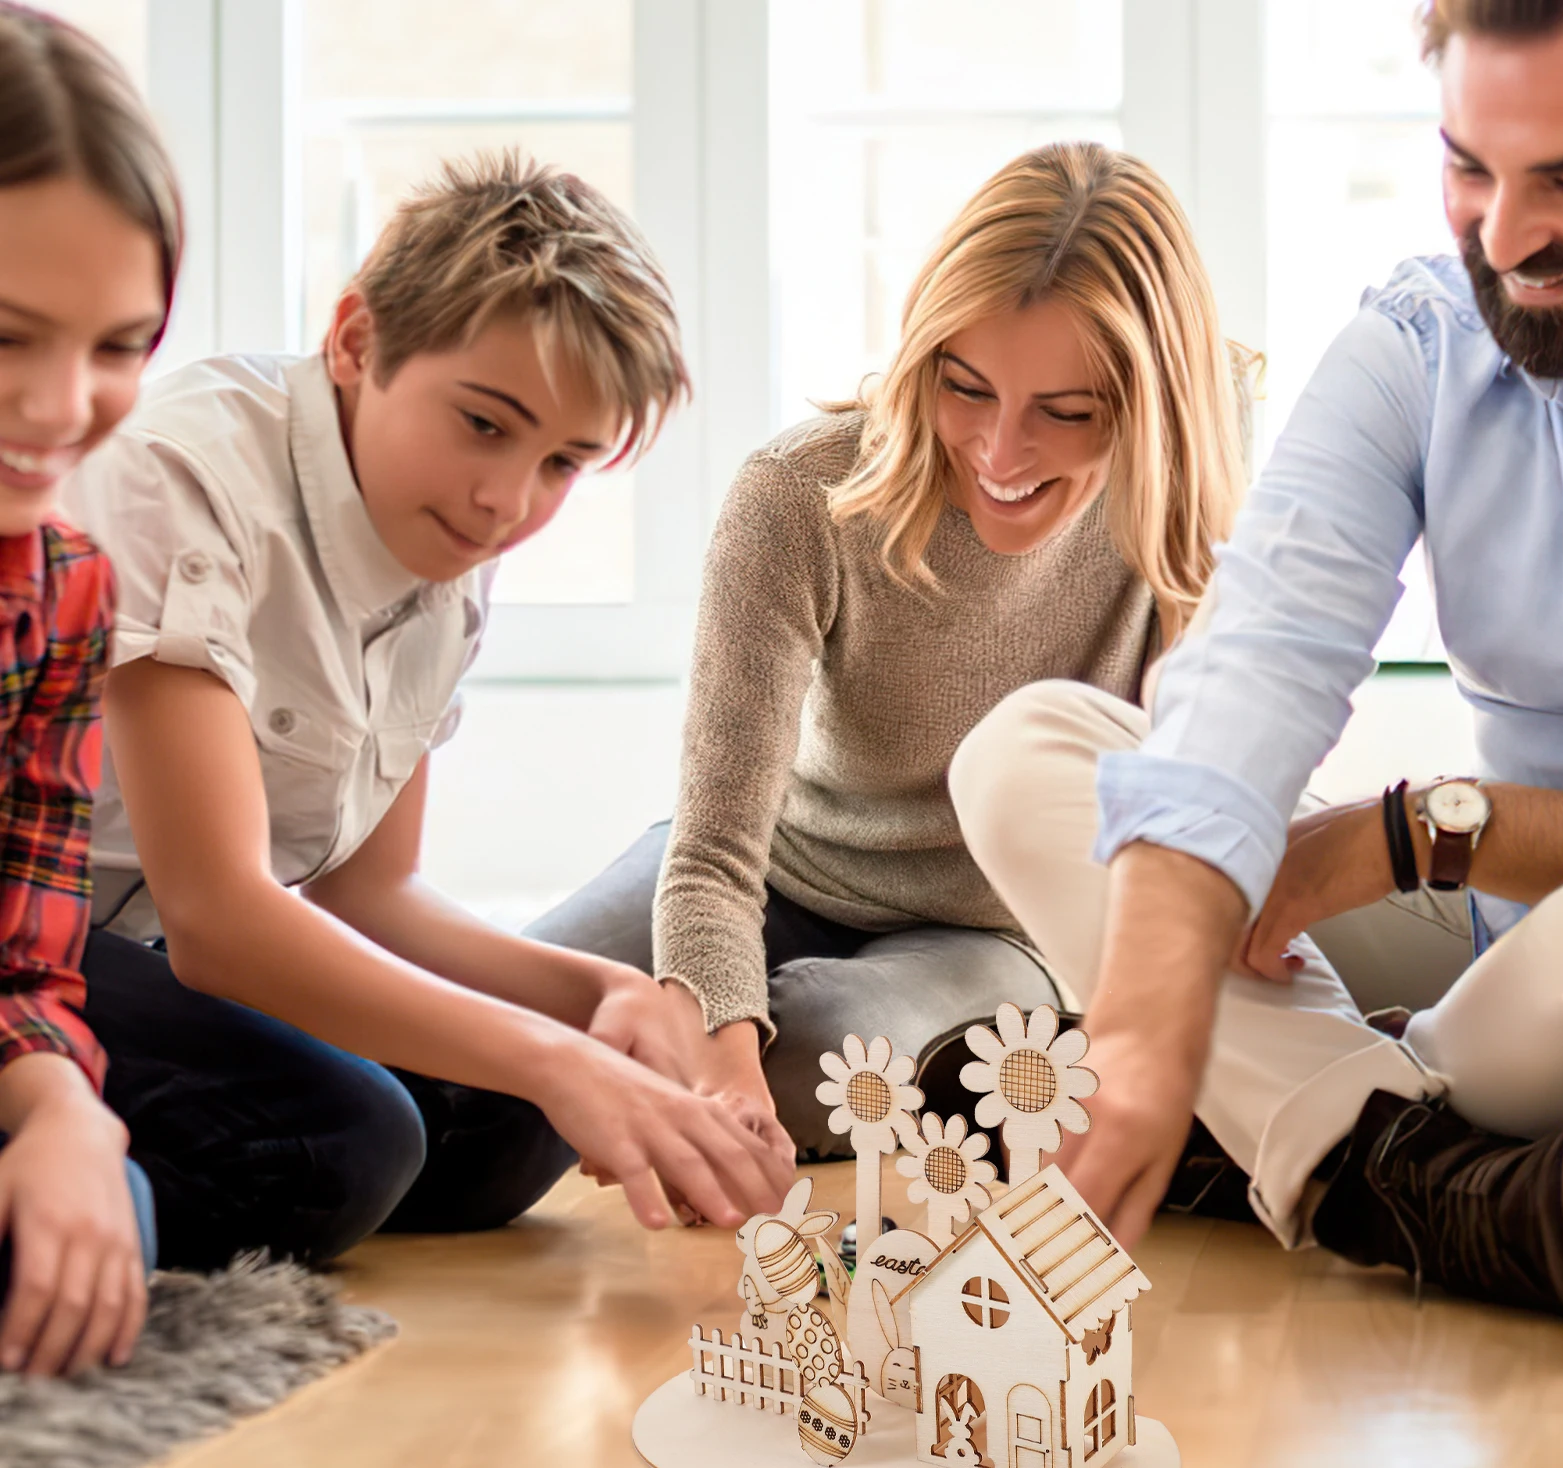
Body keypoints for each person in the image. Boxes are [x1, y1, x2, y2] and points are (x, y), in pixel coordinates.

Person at [952, 0, 1563, 1322]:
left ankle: (1286, 1121)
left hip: (1535, 938)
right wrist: (1140, 1036)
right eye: (1470, 167)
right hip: (1496, 954)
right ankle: (1416, 1174)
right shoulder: (1423, 347)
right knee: (1029, 757)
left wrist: (1406, 835)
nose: (1505, 236)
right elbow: (1255, 659)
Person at [64, 150, 792, 1270]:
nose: (509, 502)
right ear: (357, 341)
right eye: (485, 425)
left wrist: (603, 996)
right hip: (42, 935)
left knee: (511, 1121)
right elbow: (220, 918)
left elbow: (371, 888)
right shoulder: (182, 476)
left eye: (564, 463)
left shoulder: (447, 543)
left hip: (157, 954)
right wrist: (562, 1059)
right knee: (347, 1140)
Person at [529, 142, 1255, 1158]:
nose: (1001, 454)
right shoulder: (796, 497)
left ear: (1149, 410)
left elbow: (1188, 805)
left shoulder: (1189, 486)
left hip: (997, 929)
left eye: (1068, 412)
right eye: (965, 388)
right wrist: (718, 1066)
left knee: (821, 1061)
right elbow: (709, 854)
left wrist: (735, 1075)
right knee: (501, 1024)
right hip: (778, 871)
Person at [0, 3, 173, 1375]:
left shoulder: (67, 588)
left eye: (119, 344)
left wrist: (62, 1108)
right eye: (9, 336)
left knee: (109, 1196)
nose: (64, 407)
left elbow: (26, 954)